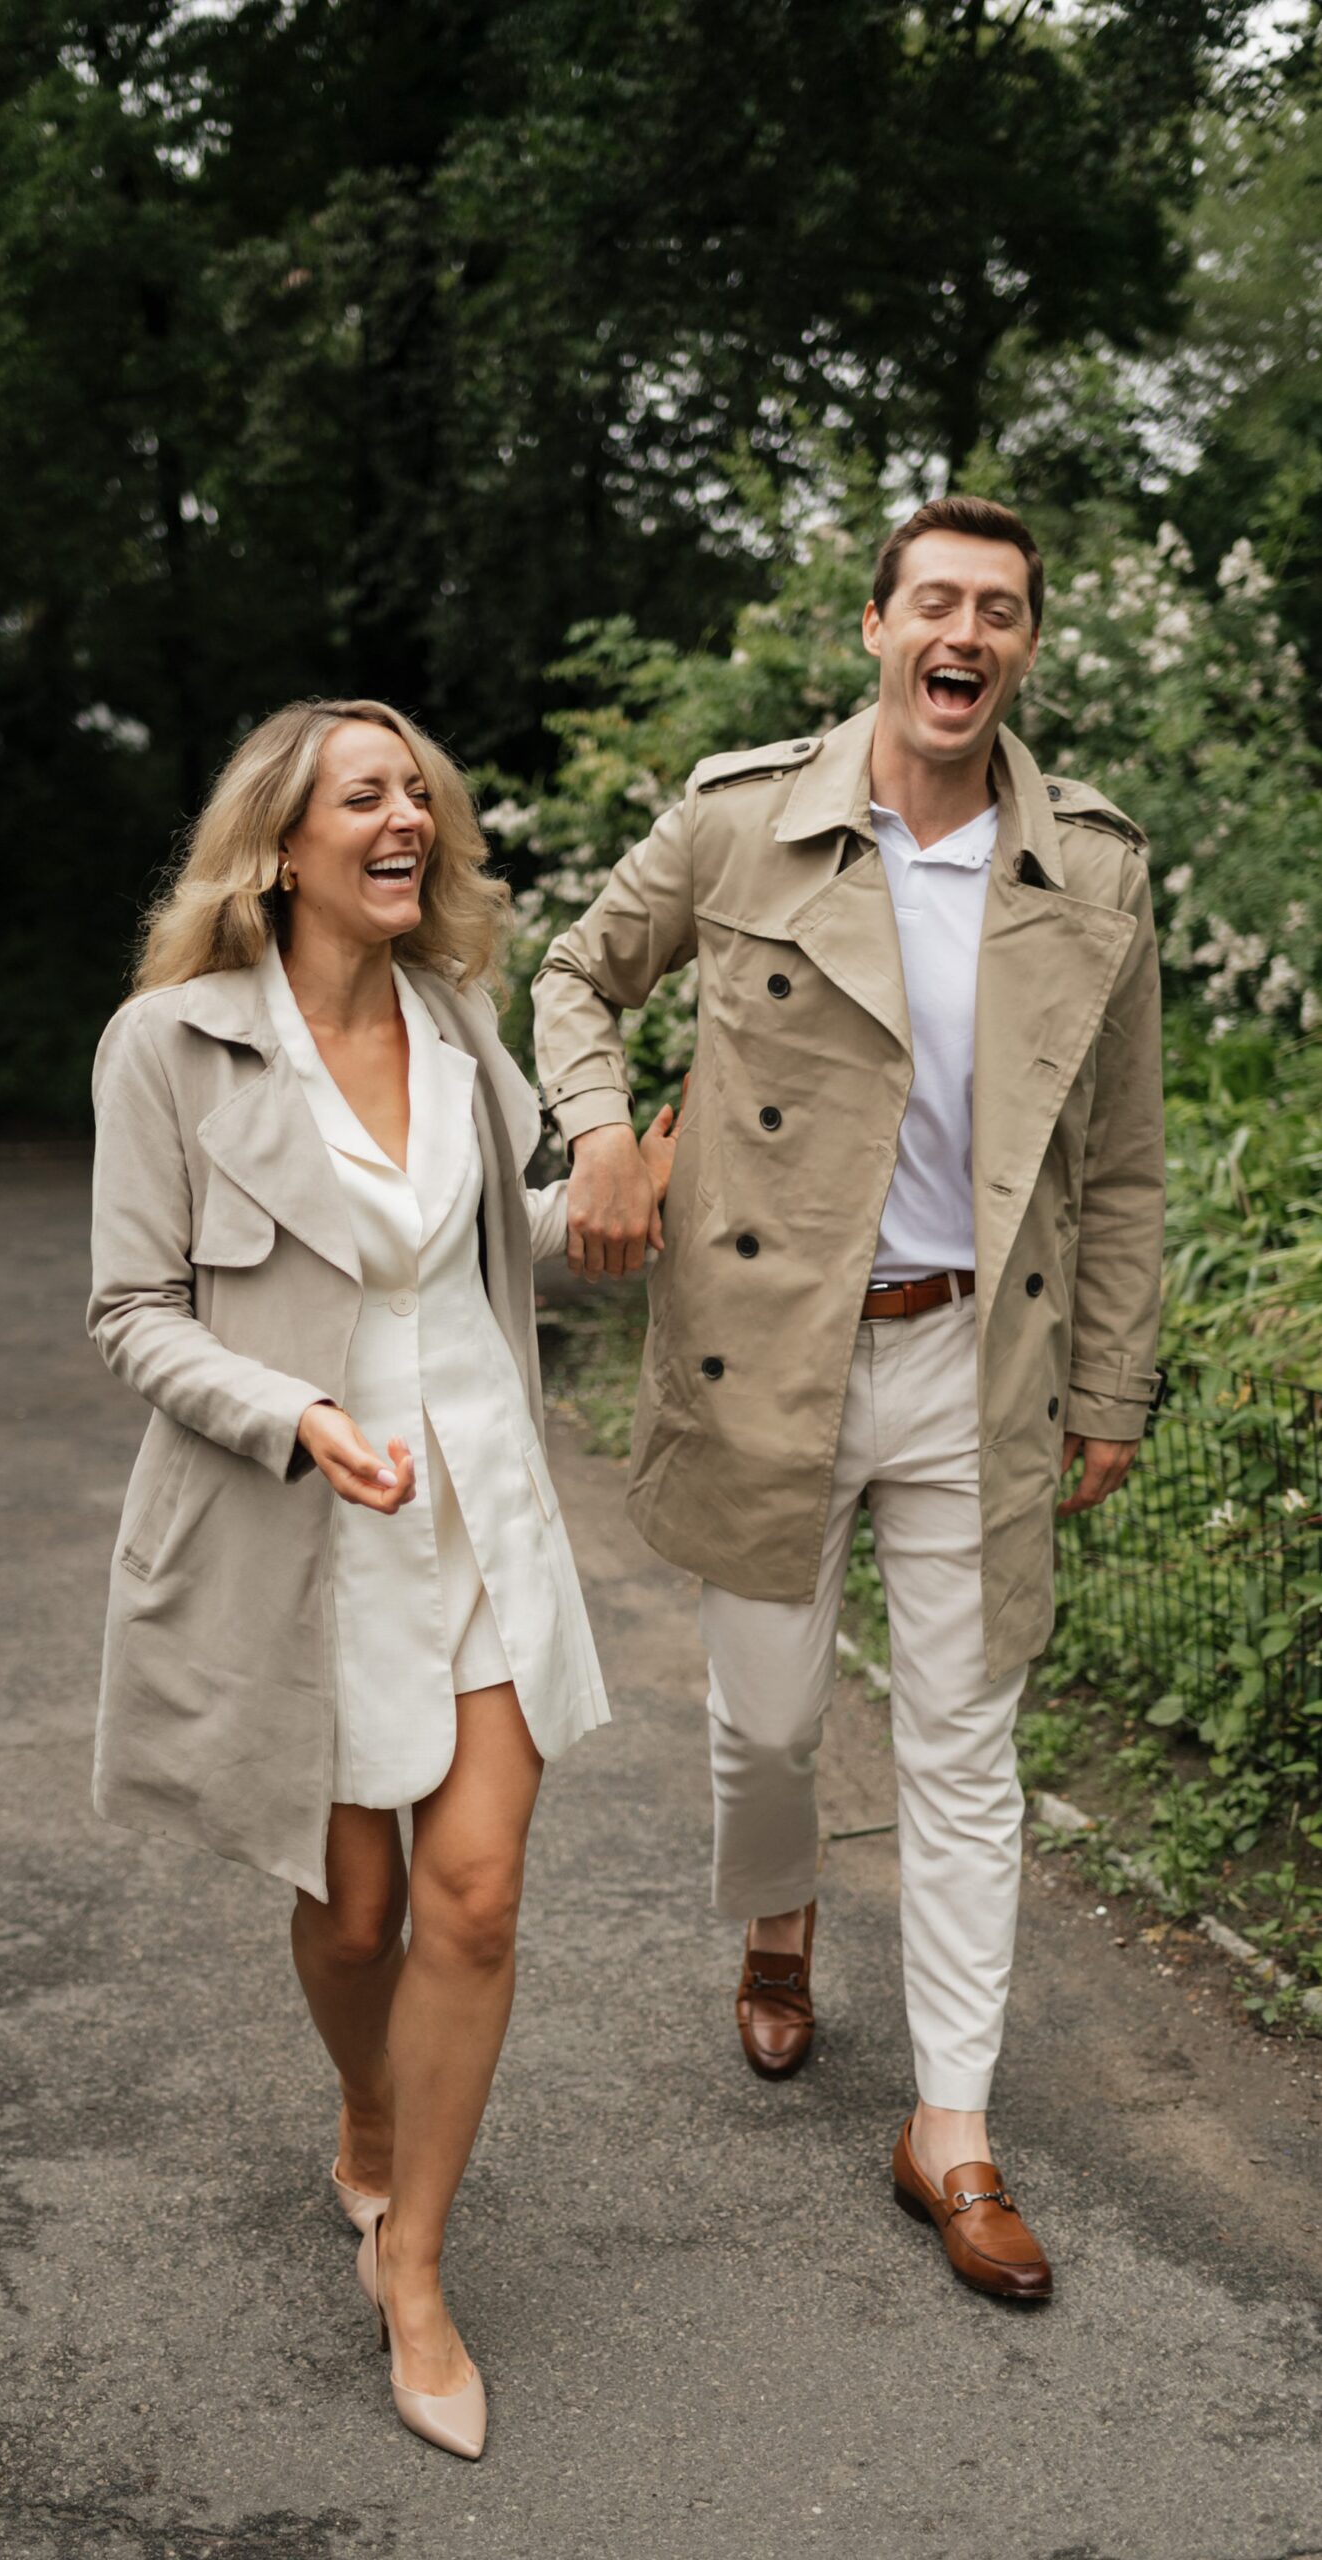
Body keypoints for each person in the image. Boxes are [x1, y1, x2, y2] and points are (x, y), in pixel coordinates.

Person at [532, 495, 1165, 2301]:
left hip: (982, 1359)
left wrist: (1109, 1378)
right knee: (771, 1730)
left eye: (1001, 610)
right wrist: (600, 1133)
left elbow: (1122, 1158)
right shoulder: (745, 818)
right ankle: (778, 1913)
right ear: (878, 628)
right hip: (770, 1353)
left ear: (1025, 647)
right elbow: (577, 972)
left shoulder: (1093, 868)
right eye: (935, 602)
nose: (966, 634)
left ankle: (952, 2129)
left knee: (967, 1751)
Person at [87, 698, 671, 2455]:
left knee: (472, 1901)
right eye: (367, 795)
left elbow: (511, 1242)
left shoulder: (458, 1022)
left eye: (419, 792)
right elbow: (132, 1314)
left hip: (482, 1507)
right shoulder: (170, 1046)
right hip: (312, 1529)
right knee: (357, 1916)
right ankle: (365, 2107)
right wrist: (294, 1415)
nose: (408, 815)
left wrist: (630, 1183)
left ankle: (412, 2262)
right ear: (283, 845)